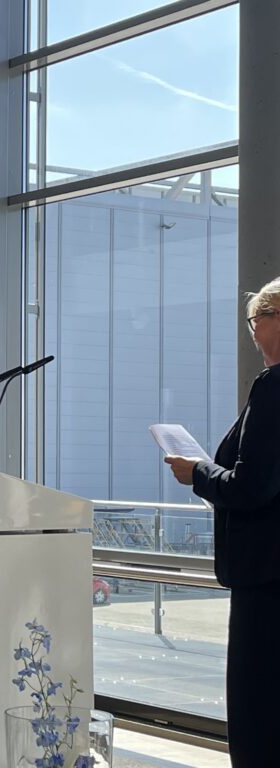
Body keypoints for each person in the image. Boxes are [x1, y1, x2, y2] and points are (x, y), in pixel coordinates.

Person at [164, 278, 280, 768]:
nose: (252, 332)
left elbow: (251, 487)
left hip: (266, 579)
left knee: (259, 716)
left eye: (256, 320)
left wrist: (198, 473)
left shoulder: (273, 387)